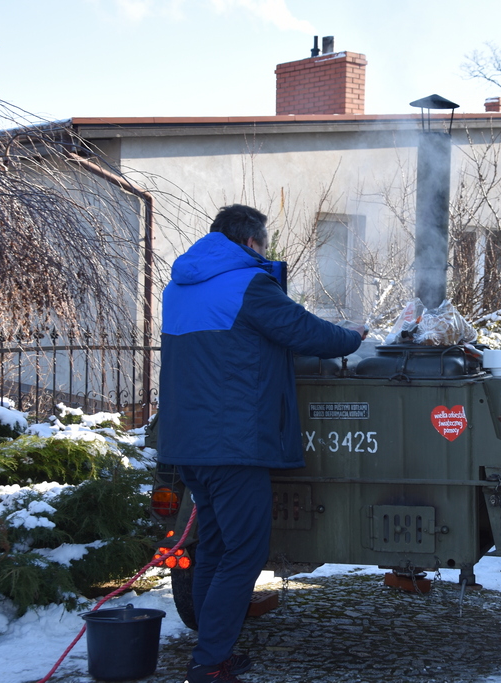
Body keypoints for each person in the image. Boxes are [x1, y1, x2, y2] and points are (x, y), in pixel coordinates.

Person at [158, 204, 365, 683]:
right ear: (251, 242)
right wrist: (353, 336)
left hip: (187, 443)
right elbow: (307, 332)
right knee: (245, 553)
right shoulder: (247, 284)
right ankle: (210, 663)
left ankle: (210, 654)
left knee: (213, 545)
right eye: (264, 245)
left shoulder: (179, 287)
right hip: (232, 445)